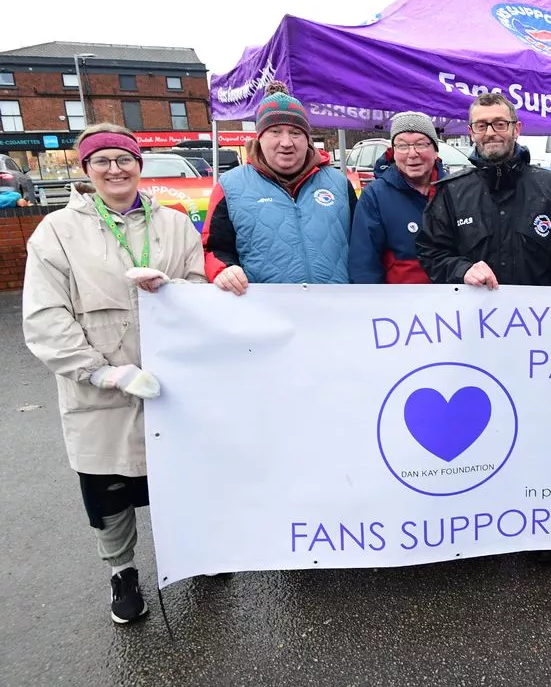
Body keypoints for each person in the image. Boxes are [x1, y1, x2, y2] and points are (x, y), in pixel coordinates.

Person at [21, 123, 206, 624]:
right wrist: (105, 374)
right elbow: (45, 317)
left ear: (138, 164)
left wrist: (173, 289)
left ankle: (194, 554)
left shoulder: (174, 224)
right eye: (101, 161)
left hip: (171, 381)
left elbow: (197, 287)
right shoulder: (57, 231)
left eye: (124, 159)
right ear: (85, 170)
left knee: (179, 474)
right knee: (108, 486)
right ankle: (122, 571)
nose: (114, 169)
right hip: (99, 387)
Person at [416, 92, 551, 289]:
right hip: (474, 315)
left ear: (516, 129)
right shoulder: (451, 192)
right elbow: (431, 253)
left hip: (536, 316)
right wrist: (462, 270)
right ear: (471, 132)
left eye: (500, 124)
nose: (490, 132)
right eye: (481, 125)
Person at [203, 82, 356, 293]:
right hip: (269, 314)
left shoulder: (338, 183)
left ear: (307, 139)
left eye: (295, 133)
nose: (286, 142)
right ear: (260, 137)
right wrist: (223, 270)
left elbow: (363, 247)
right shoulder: (230, 186)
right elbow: (212, 249)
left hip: (336, 310)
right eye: (275, 131)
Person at [350, 112, 445, 284]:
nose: (412, 153)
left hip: (453, 304)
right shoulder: (375, 196)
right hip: (398, 306)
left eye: (420, 144)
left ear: (435, 149)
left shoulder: (454, 190)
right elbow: (364, 265)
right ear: (393, 151)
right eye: (402, 146)